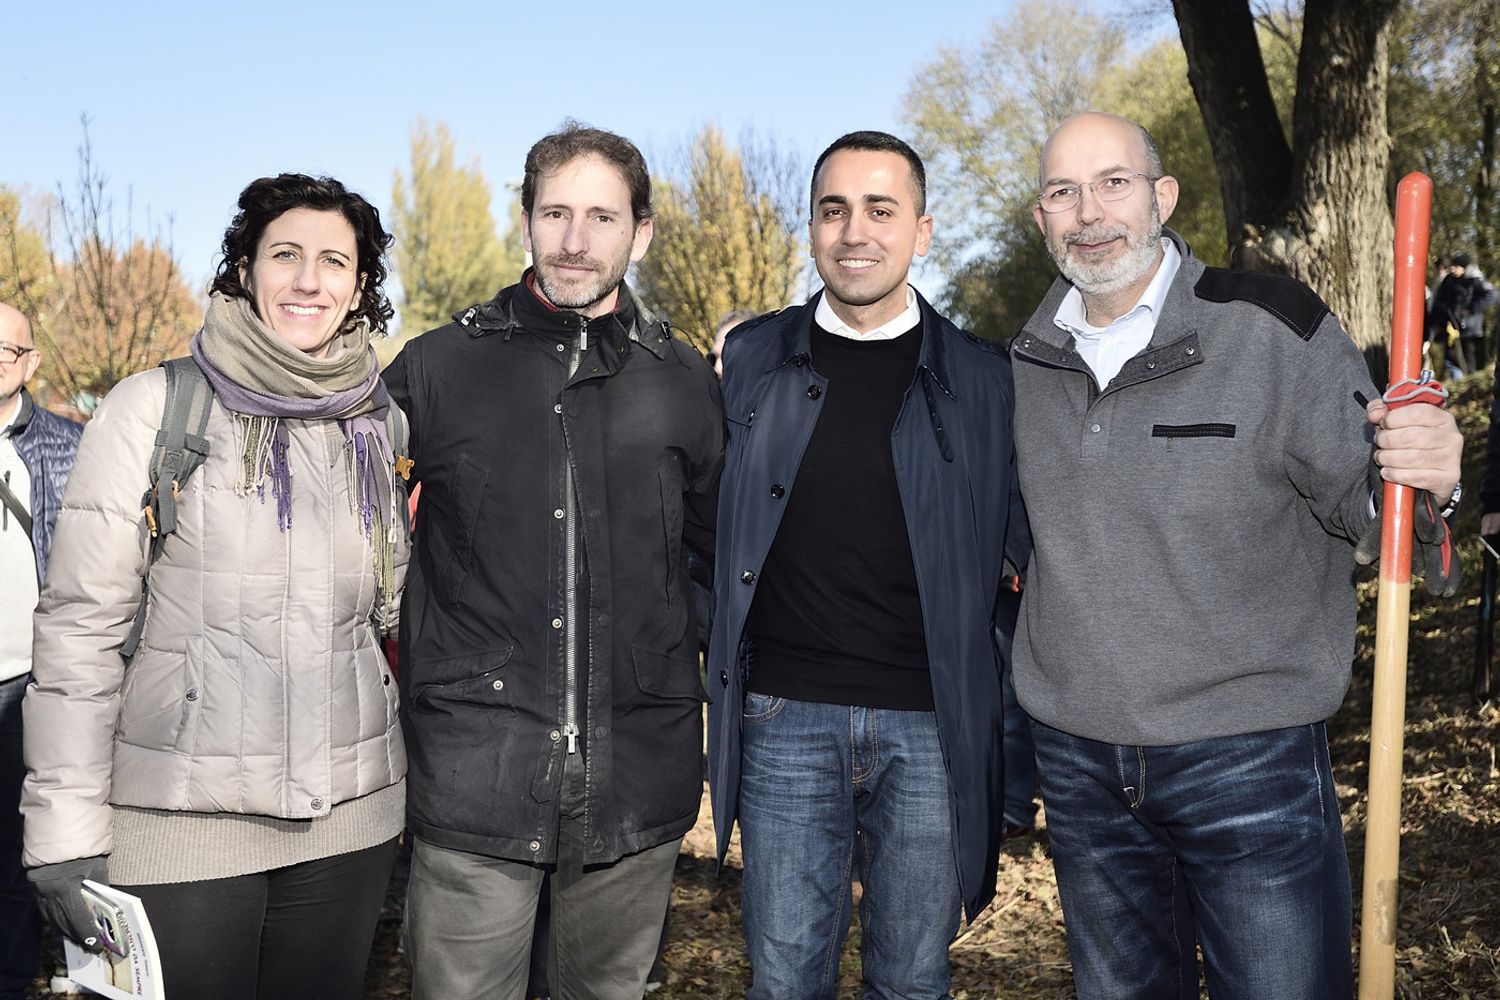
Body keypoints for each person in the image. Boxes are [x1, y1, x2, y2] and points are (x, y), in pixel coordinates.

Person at [1011, 111, 1463, 1000]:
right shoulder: (1025, 361)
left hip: (1246, 760)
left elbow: (1379, 515)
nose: (1090, 212)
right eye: (1063, 192)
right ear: (1041, 219)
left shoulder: (1271, 331)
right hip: (1079, 765)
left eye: (1114, 183)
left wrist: (1429, 480)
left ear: (1162, 196)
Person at [21, 174, 410, 1000]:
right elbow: (81, 629)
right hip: (180, 825)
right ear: (244, 265)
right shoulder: (153, 409)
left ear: (360, 286)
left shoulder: (377, 423)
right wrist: (61, 834)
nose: (309, 280)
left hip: (350, 819)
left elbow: (382, 612)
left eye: (335, 261)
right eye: (286, 255)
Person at [384, 122, 723, 1000]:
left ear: (640, 233)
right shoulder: (436, 369)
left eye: (602, 218)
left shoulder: (685, 378)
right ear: (525, 219)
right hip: (474, 773)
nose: (576, 240)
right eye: (556, 213)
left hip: (636, 775)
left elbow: (721, 559)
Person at [707, 130, 1030, 999]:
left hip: (931, 726)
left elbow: (1031, 557)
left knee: (914, 979)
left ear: (922, 231)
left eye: (881, 210)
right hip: (783, 719)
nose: (856, 231)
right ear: (810, 228)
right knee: (782, 979)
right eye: (834, 209)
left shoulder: (986, 381)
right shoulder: (748, 365)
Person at [0, 302, 81, 1000]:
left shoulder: (68, 445)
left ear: (30, 362)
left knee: (16, 850)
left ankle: (15, 974)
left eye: (8, 347)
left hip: (29, 680)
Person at [1430, 253, 1497, 374]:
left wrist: (1471, 309)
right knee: (1450, 360)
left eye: (1456, 266)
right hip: (1451, 329)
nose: (1452, 269)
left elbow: (1491, 295)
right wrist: (1438, 322)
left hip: (1471, 330)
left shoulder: (1475, 280)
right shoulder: (1448, 281)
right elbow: (1440, 302)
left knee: (1470, 362)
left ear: (1464, 267)